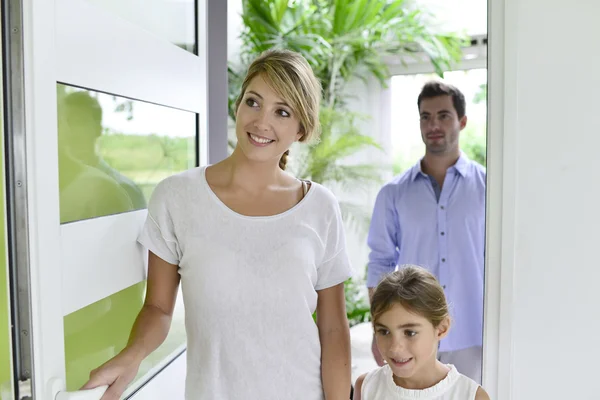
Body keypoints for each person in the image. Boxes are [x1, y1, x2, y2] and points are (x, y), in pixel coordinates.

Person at [82, 48, 353, 400]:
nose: (261, 122)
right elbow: (159, 308)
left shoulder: (319, 207)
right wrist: (131, 357)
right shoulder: (177, 197)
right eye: (254, 102)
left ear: (301, 129)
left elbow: (333, 329)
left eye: (282, 112)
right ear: (238, 105)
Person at [366, 81, 486, 383]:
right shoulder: (393, 193)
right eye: (425, 116)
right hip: (410, 334)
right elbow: (380, 263)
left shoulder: (489, 188)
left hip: (473, 334)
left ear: (462, 121)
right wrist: (381, 328)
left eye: (443, 115)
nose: (433, 124)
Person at [354, 266, 490, 400]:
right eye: (384, 331)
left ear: (442, 328)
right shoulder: (366, 387)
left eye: (410, 333)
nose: (395, 347)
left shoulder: (471, 396)